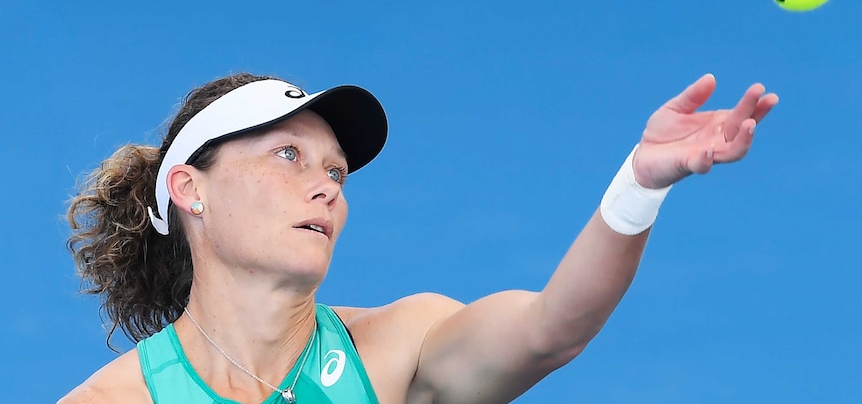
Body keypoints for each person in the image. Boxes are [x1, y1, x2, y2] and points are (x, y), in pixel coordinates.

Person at [60, 72, 778, 404]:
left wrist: (641, 183)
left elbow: (551, 328)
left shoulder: (400, 349)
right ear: (192, 190)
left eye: (336, 169)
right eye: (288, 156)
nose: (327, 185)